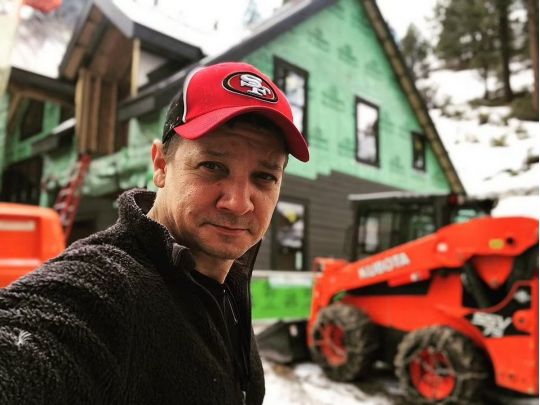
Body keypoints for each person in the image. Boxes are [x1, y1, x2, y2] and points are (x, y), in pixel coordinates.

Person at [0, 62, 309, 405]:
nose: (238, 203)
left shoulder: (228, 286)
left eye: (264, 177)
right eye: (212, 166)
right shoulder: (110, 288)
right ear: (161, 165)